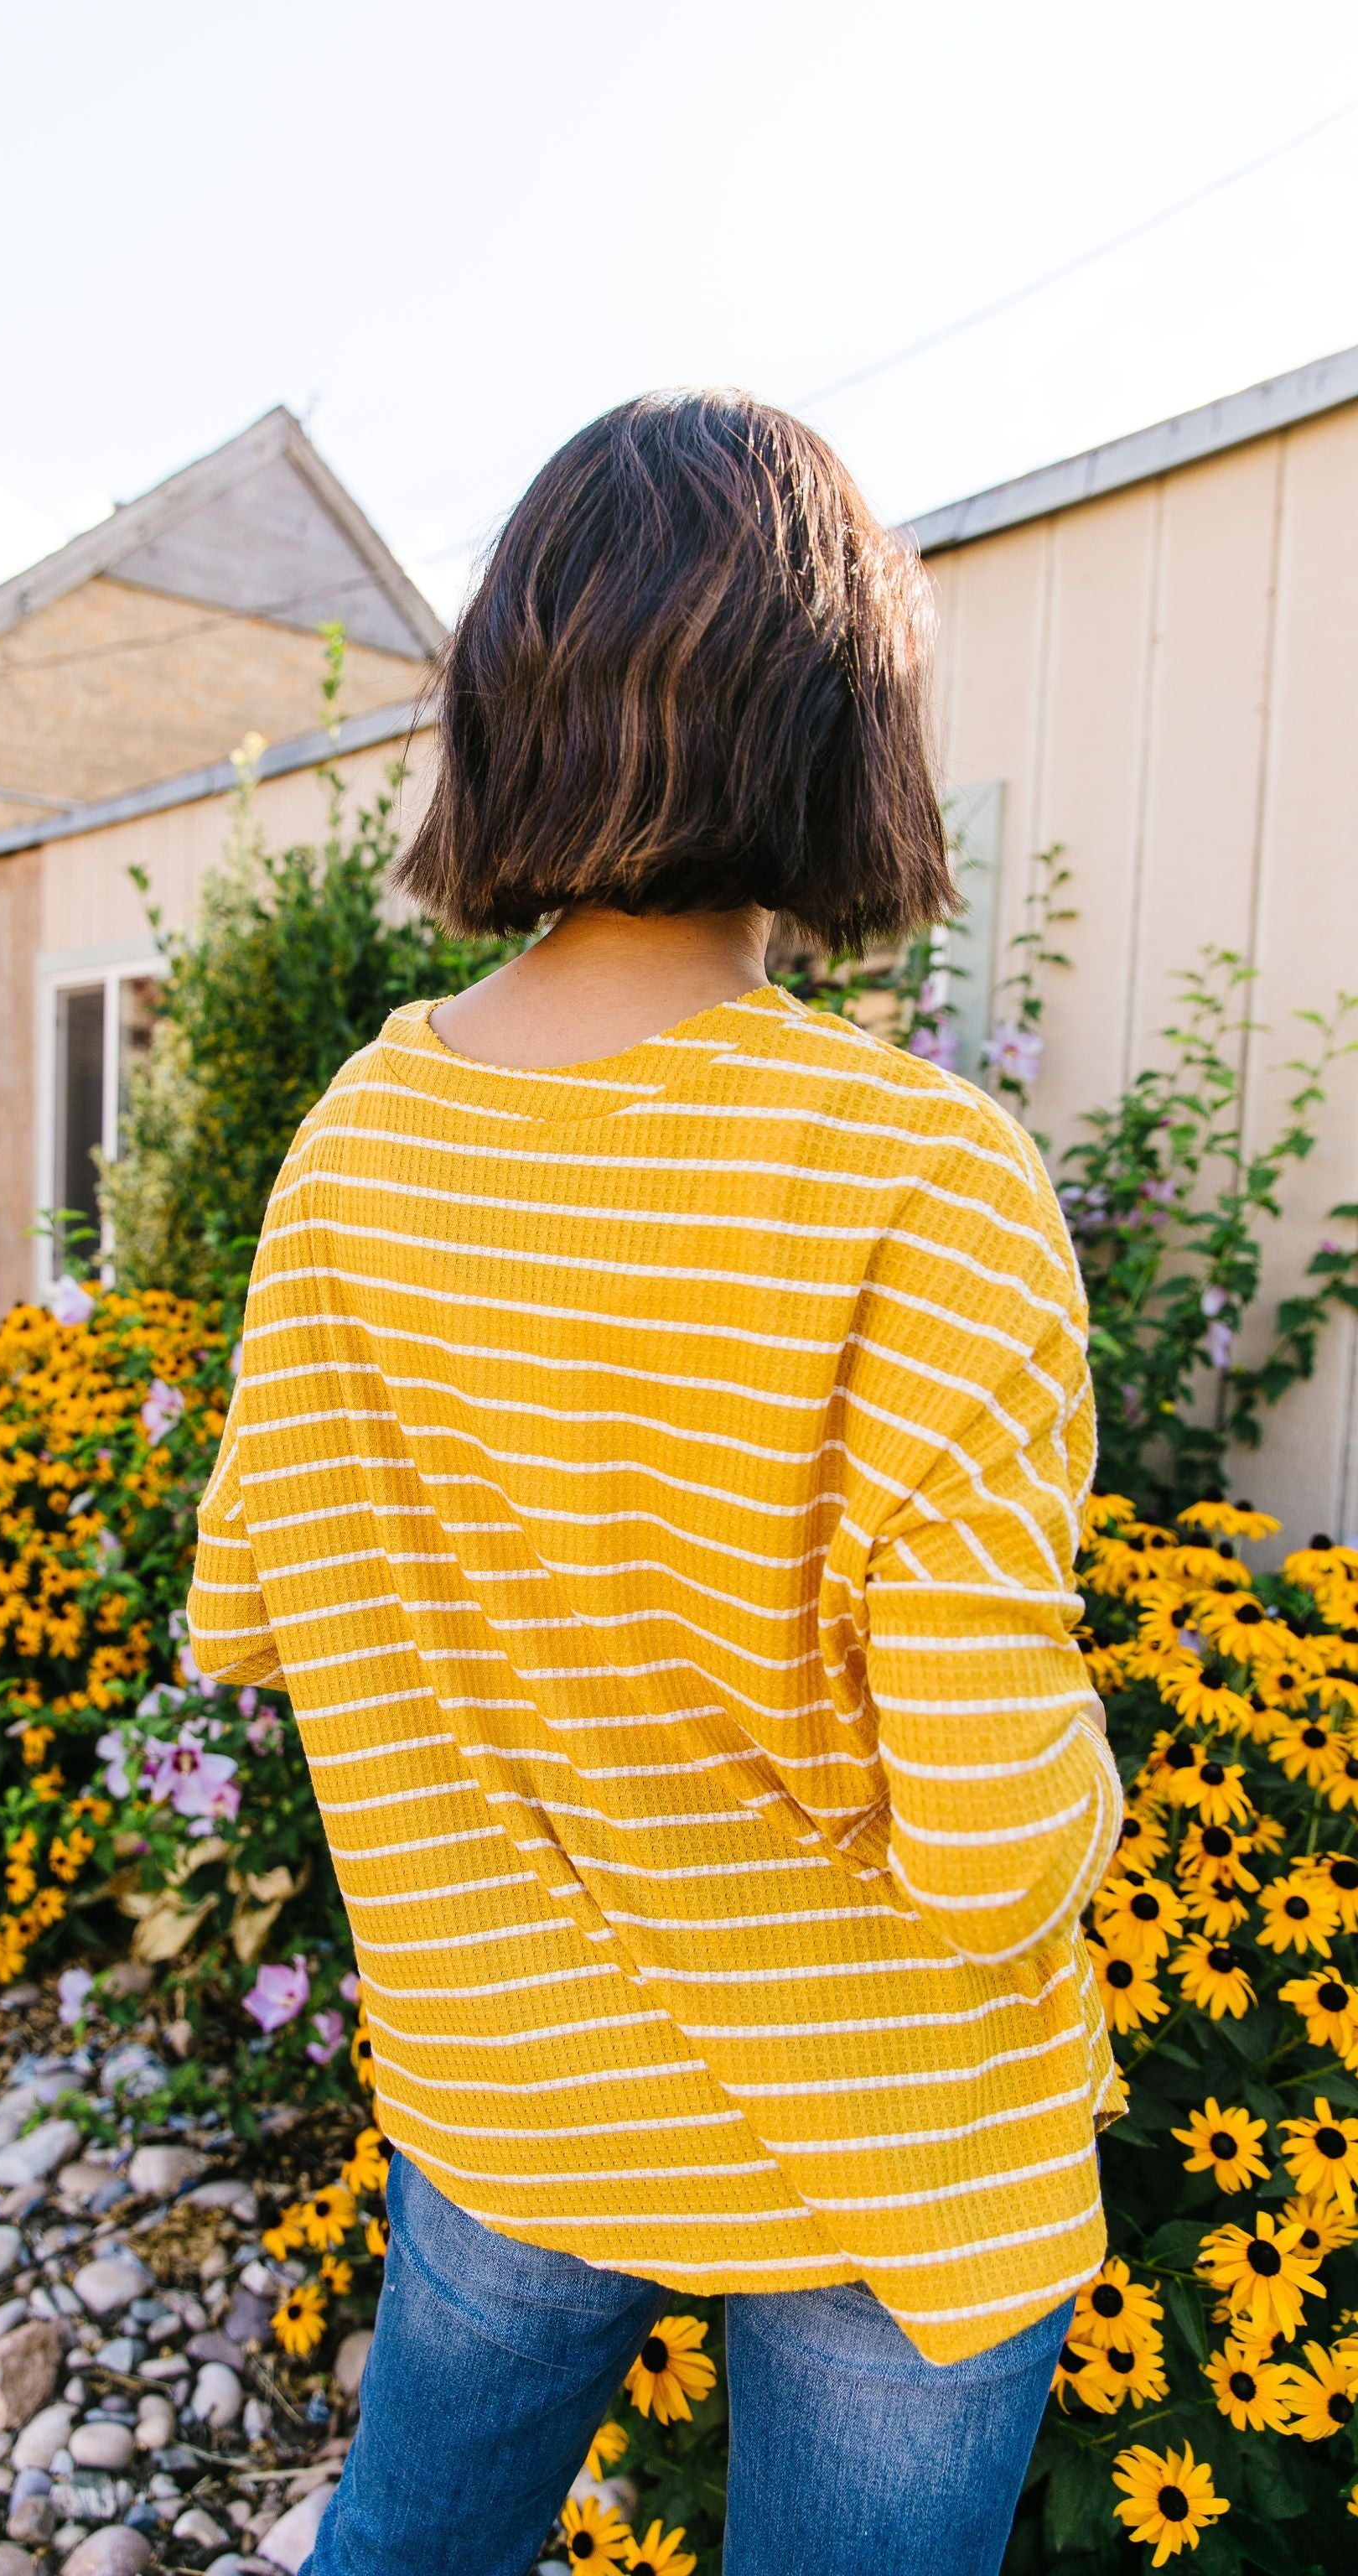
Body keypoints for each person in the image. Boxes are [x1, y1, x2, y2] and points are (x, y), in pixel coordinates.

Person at [186, 391, 1124, 2576]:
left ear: (503, 713)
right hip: (897, 2149)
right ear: (840, 727)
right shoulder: (926, 1184)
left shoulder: (357, 1150)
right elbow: (996, 1858)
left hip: (516, 2098)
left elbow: (257, 1609)